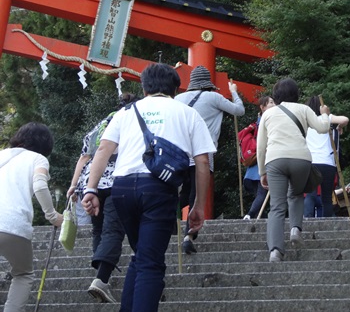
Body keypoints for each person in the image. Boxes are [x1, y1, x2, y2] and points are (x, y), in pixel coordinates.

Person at [82, 63, 215, 312]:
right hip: (157, 189)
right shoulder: (186, 113)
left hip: (121, 189)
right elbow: (203, 162)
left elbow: (103, 149)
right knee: (151, 262)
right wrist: (197, 206)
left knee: (141, 255)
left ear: (144, 87)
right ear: (176, 88)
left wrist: (91, 189)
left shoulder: (125, 113)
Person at [257, 78, 347, 262]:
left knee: (276, 207)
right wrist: (324, 114)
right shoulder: (304, 109)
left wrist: (262, 172)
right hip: (301, 159)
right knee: (296, 194)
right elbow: (323, 127)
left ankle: (275, 250)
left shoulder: (268, 114)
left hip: (275, 159)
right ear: (296, 93)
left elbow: (261, 146)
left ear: (276, 95)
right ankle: (295, 229)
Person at [66, 92, 139, 303]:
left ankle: (100, 274)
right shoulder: (132, 121)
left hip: (91, 182)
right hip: (117, 179)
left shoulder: (100, 125)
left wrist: (74, 185)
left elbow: (84, 158)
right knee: (113, 229)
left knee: (98, 228)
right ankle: (101, 279)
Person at [174, 65, 245, 254]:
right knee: (195, 194)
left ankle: (163, 218)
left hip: (179, 153)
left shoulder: (178, 99)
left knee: (181, 192)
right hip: (203, 153)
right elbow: (239, 110)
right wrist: (234, 92)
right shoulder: (214, 97)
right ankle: (189, 235)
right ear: (208, 82)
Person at [0, 122, 63, 311]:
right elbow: (40, 186)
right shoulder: (38, 159)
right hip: (12, 224)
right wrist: (52, 216)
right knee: (23, 274)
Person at [303, 96, 349, 218]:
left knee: (310, 195)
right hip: (328, 163)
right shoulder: (327, 119)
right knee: (327, 198)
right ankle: (327, 222)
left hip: (311, 162)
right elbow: (345, 119)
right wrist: (339, 127)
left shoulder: (306, 121)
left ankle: (307, 219)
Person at [242, 96, 274, 219]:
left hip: (255, 165)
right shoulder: (266, 122)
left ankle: (253, 216)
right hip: (262, 164)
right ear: (263, 107)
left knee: (261, 194)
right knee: (263, 194)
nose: (274, 104)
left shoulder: (257, 122)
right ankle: (249, 216)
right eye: (271, 103)